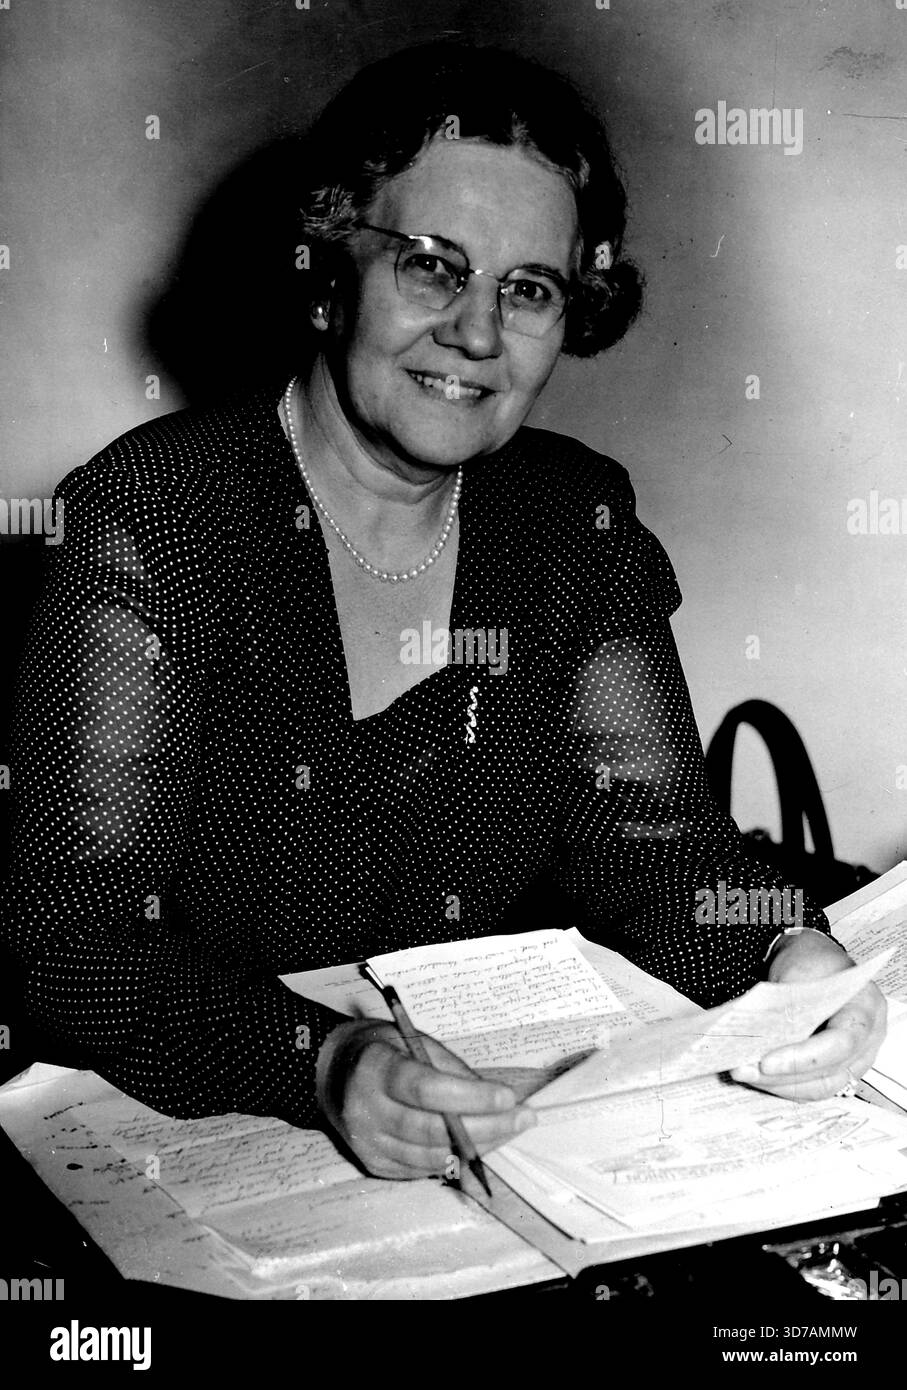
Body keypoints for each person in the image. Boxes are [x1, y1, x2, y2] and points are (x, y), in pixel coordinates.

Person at [1, 41, 885, 1182]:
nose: (477, 333)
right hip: (206, 1143)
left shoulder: (577, 524)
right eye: (431, 266)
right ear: (328, 269)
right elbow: (73, 940)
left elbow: (664, 858)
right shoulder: (154, 516)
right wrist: (316, 1063)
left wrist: (787, 952)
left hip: (503, 1137)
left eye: (528, 289)